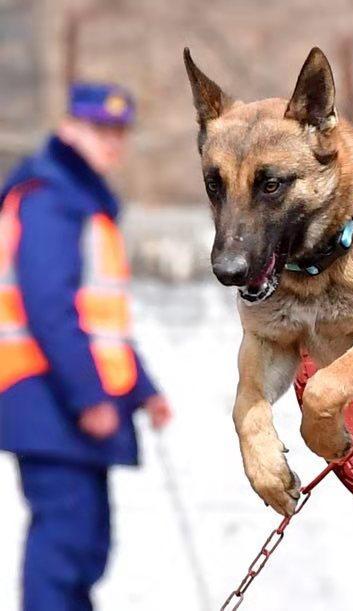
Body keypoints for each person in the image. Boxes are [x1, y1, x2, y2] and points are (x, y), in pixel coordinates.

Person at [0, 82, 171, 611]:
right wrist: (89, 398)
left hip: (66, 394)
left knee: (88, 541)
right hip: (46, 395)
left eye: (119, 133)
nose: (112, 143)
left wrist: (141, 389)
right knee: (67, 540)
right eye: (100, 130)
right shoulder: (51, 198)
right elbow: (49, 307)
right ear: (67, 130)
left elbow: (103, 320)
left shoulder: (80, 199)